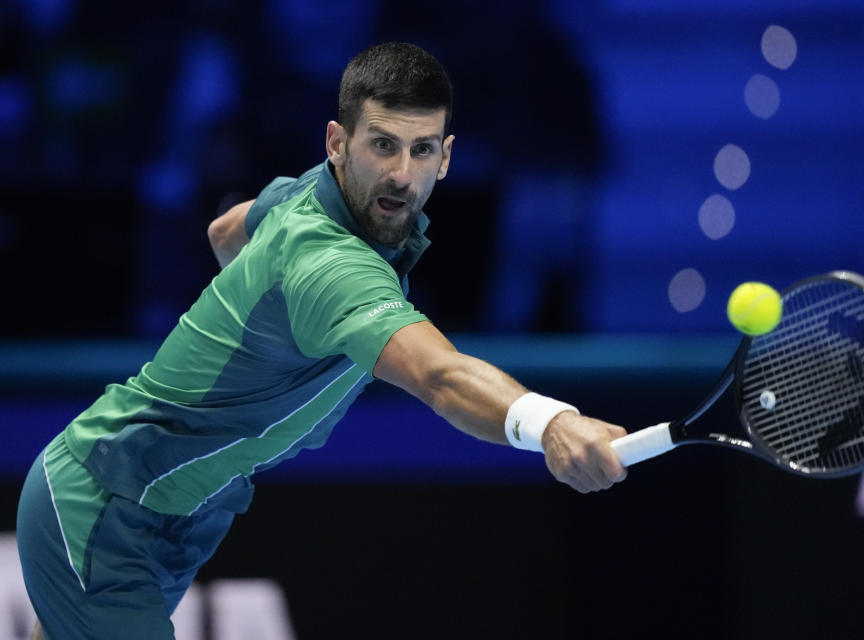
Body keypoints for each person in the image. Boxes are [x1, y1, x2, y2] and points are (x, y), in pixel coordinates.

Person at [16, 42, 628, 640]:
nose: (401, 174)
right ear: (338, 142)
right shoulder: (330, 267)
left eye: (420, 151)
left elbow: (225, 229)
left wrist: (259, 324)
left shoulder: (307, 191)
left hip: (173, 511)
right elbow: (440, 376)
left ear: (446, 157)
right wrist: (549, 423)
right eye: (382, 145)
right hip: (109, 503)